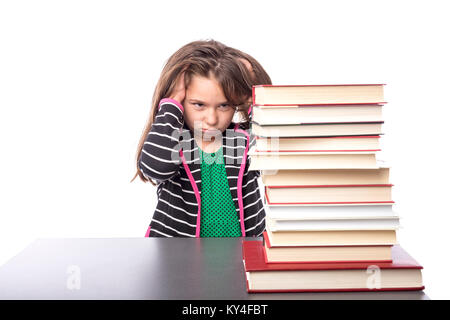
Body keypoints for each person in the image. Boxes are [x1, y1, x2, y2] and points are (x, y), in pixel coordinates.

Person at [131, 39, 272, 237]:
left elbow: (274, 157)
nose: (212, 119)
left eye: (224, 105)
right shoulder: (171, 140)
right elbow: (156, 168)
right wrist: (171, 103)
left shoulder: (244, 140)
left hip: (241, 255)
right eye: (199, 105)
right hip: (177, 256)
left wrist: (255, 98)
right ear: (180, 101)